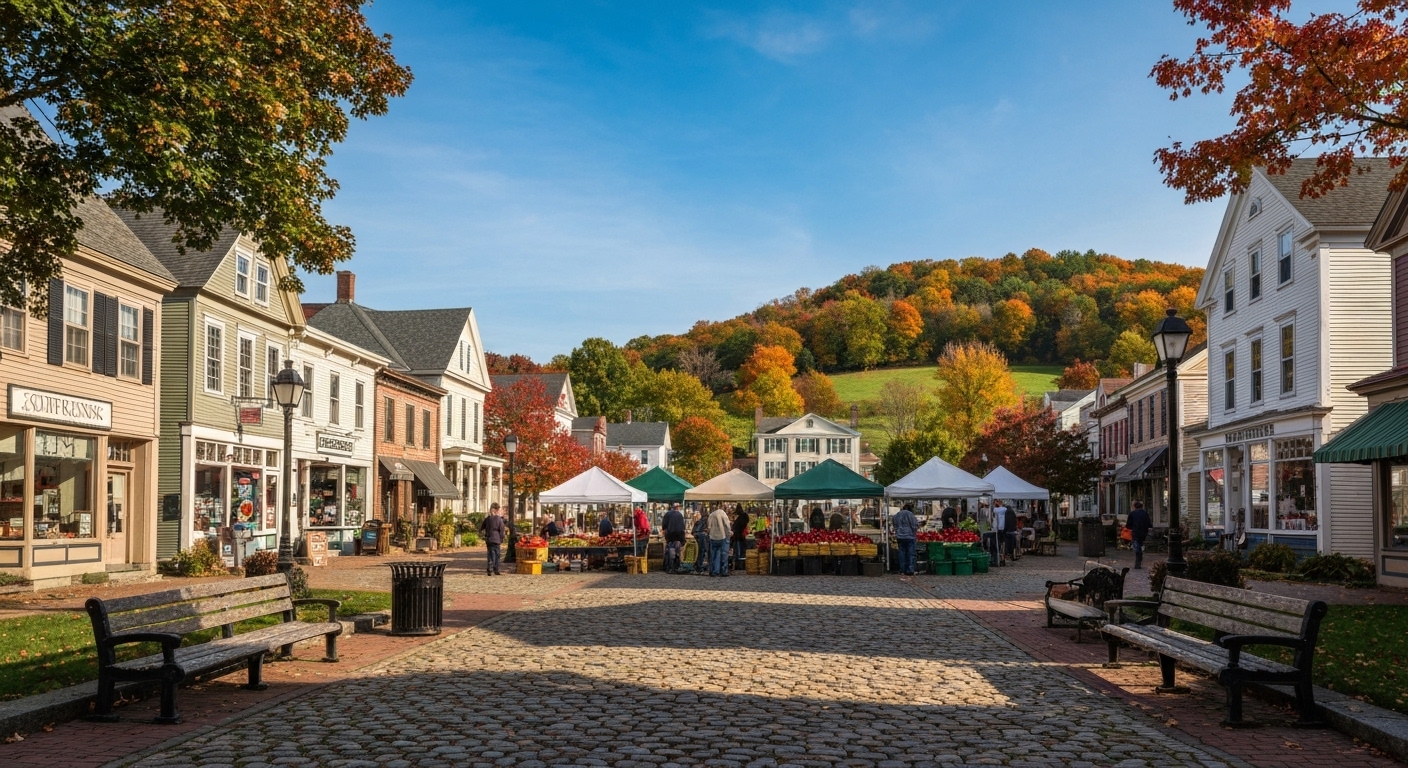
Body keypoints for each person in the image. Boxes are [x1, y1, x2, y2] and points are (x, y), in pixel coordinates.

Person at [892, 503, 920, 579]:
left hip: (900, 536)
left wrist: (898, 531)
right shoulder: (910, 514)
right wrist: (914, 532)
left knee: (902, 552)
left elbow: (894, 524)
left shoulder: (897, 514)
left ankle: (902, 569)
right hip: (909, 536)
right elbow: (914, 525)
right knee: (910, 553)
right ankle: (910, 570)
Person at [479, 503, 506, 576]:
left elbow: (481, 527)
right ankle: (495, 568)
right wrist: (501, 538)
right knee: (497, 555)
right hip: (496, 538)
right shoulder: (499, 519)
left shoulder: (487, 519)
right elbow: (501, 530)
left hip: (489, 538)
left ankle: (489, 568)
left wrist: (483, 534)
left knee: (490, 554)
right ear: (497, 510)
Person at [1126, 500, 1153, 569]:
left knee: (1137, 546)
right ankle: (1139, 559)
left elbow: (1128, 525)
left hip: (1136, 532)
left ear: (1134, 507)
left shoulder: (1132, 514)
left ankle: (1138, 562)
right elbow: (1149, 524)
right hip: (1144, 532)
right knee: (1139, 544)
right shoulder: (1145, 513)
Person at [662, 503, 686, 573]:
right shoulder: (680, 515)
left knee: (670, 548)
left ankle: (670, 565)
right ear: (677, 508)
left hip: (670, 534)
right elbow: (683, 527)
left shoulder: (667, 514)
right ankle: (676, 564)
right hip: (679, 535)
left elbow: (664, 525)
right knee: (677, 549)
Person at [708, 505, 732, 577]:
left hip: (713, 537)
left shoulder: (711, 515)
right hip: (722, 536)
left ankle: (714, 571)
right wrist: (729, 532)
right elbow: (727, 525)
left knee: (714, 555)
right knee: (724, 554)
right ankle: (723, 571)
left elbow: (709, 527)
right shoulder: (723, 513)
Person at [731, 507, 750, 572]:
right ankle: (741, 565)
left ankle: (738, 565)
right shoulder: (743, 519)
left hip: (737, 537)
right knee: (741, 552)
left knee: (738, 552)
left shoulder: (739, 520)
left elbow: (735, 527)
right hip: (741, 537)